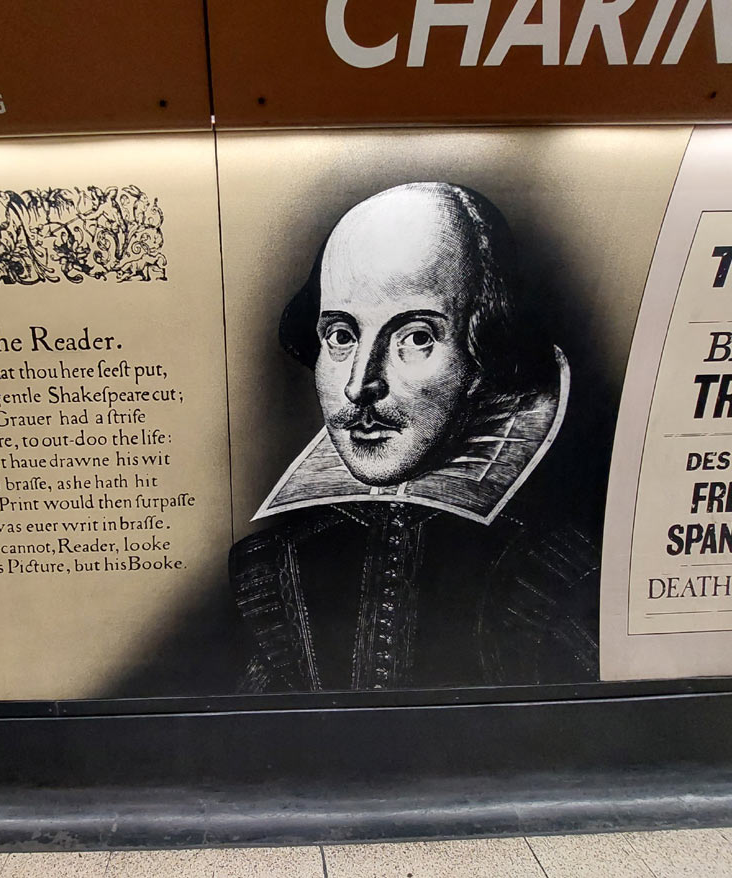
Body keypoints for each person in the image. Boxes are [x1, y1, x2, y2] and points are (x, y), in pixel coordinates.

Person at [229, 182, 600, 693]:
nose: (360, 385)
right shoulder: (271, 564)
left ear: (483, 356)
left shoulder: (555, 568)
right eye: (341, 336)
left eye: (417, 338)